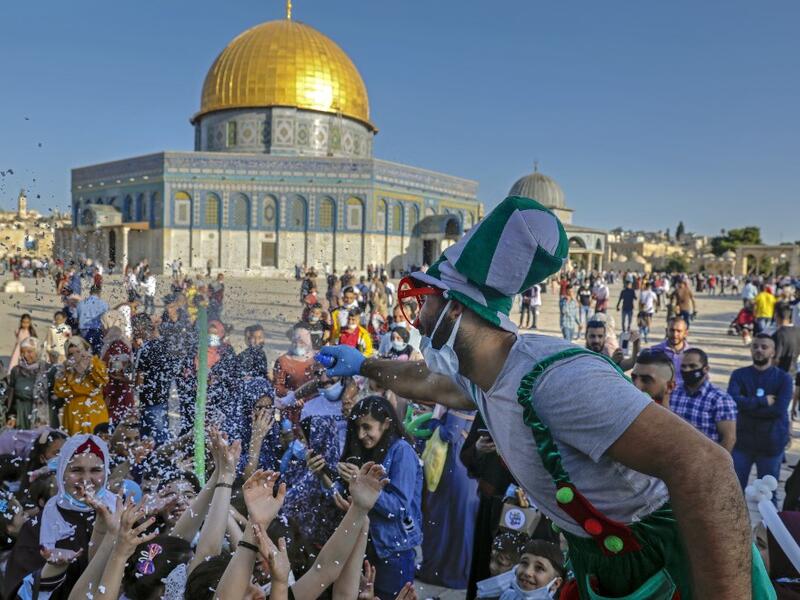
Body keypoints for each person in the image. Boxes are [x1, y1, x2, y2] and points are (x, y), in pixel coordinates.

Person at [321, 195, 771, 597]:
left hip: (673, 561)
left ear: (455, 307)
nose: (417, 321)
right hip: (603, 562)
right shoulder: (481, 377)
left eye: (425, 304)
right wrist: (363, 364)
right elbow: (430, 382)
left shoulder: (558, 380)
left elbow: (706, 468)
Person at [3, 433, 118, 599]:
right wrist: (53, 569)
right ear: (61, 472)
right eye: (76, 470)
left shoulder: (119, 513)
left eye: (96, 470)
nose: (86, 480)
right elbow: (17, 591)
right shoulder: (40, 525)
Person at [333, 396, 423, 599]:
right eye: (357, 428)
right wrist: (335, 489)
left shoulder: (402, 452)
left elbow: (398, 508)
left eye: (367, 427)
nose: (361, 434)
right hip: (363, 546)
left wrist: (363, 487)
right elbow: (347, 494)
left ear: (386, 423)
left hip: (393, 552)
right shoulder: (365, 450)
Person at [728, 334, 793, 505]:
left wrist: (746, 406)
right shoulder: (739, 375)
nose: (759, 350)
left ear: (773, 352)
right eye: (755, 346)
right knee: (733, 492)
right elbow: (732, 402)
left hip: (771, 445)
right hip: (742, 443)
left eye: (764, 347)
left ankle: (769, 530)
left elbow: (779, 410)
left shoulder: (784, 378)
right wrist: (762, 402)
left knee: (768, 495)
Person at [671, 349, 737, 452]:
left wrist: (715, 464)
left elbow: (729, 438)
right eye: (683, 366)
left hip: (703, 460)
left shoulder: (720, 399)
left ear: (705, 369)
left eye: (692, 366)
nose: (687, 370)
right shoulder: (672, 392)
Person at [54, 337, 110, 435]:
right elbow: (59, 391)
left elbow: (103, 381)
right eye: (71, 354)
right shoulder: (65, 368)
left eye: (78, 351)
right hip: (73, 412)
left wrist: (88, 367)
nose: (75, 356)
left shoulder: (95, 363)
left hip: (94, 411)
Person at [100, 310, 135, 425]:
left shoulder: (117, 346)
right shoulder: (118, 343)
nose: (102, 328)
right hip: (120, 397)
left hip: (116, 400)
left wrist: (107, 395)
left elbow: (122, 376)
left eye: (103, 324)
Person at [498, 539, 565, 600]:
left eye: (539, 568)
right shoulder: (508, 596)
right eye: (524, 563)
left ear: (555, 584)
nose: (527, 572)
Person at [6, 338, 50, 429]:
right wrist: (12, 417)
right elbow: (11, 398)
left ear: (37, 351)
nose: (25, 355)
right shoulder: (16, 371)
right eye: (22, 352)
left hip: (42, 418)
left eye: (29, 352)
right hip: (21, 416)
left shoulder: (47, 370)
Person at [273, 324, 315, 397]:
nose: (298, 345)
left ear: (310, 341)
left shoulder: (319, 359)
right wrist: (292, 395)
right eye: (295, 341)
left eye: (302, 342)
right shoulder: (283, 361)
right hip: (293, 405)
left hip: (315, 405)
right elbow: (277, 388)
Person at [649, 316, 691, 386]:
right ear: (666, 331)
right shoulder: (655, 351)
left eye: (679, 331)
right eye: (672, 330)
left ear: (686, 333)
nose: (675, 334)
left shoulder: (692, 355)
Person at [77, 285, 109, 355]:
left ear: (90, 292)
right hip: (97, 332)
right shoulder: (104, 304)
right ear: (99, 293)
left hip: (84, 332)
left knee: (84, 354)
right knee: (97, 354)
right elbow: (106, 320)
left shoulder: (81, 303)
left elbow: (76, 318)